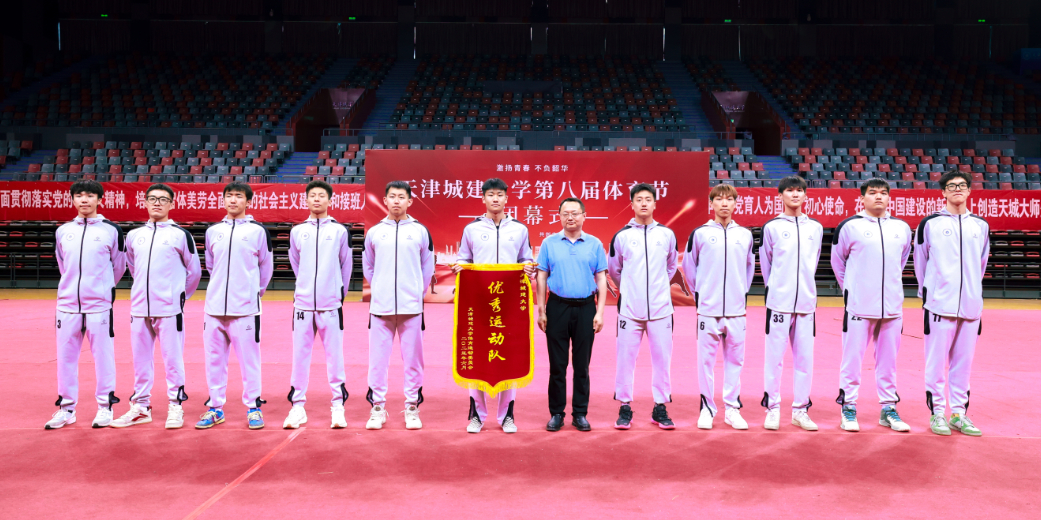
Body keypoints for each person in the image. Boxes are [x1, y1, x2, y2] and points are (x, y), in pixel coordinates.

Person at [110, 183, 201, 429]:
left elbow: (194, 271)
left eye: (163, 199)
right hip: (139, 308)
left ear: (172, 204)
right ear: (145, 202)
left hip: (169, 310)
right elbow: (132, 265)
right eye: (152, 198)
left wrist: (179, 297)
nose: (157, 203)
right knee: (140, 361)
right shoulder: (134, 235)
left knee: (173, 360)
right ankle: (141, 407)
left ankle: (176, 405)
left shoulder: (181, 235)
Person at [453, 178, 535, 434]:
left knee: (508, 356)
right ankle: (477, 415)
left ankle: (507, 415)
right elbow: (463, 259)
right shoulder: (471, 229)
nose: (495, 199)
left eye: (500, 194)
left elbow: (526, 259)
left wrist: (528, 268)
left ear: (507, 198)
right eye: (491, 194)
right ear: (483, 198)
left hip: (508, 304)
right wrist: (460, 267)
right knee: (477, 355)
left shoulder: (519, 229)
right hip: (478, 303)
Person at [831, 178, 913, 433]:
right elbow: (838, 263)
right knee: (852, 361)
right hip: (859, 308)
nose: (879, 196)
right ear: (862, 198)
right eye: (873, 192)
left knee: (888, 363)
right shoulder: (849, 227)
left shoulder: (902, 228)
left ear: (889, 198)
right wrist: (853, 291)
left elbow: (901, 261)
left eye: (883, 193)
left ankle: (888, 408)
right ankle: (848, 407)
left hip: (892, 309)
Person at [46, 180, 127, 430]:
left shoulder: (111, 230)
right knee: (65, 359)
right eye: (79, 195)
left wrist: (101, 289)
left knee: (103, 358)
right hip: (67, 306)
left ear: (99, 200)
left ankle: (105, 406)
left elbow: (118, 266)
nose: (84, 199)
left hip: (99, 306)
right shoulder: (63, 231)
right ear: (72, 199)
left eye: (90, 195)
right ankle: (66, 409)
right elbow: (63, 265)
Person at [914, 170, 989, 437]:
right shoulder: (930, 224)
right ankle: (937, 413)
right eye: (951, 186)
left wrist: (972, 292)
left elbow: (981, 263)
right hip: (939, 306)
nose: (957, 189)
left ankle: (959, 414)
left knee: (963, 364)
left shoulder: (980, 225)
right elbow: (921, 262)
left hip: (970, 307)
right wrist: (931, 294)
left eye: (962, 185)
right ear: (943, 192)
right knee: (935, 364)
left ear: (969, 191)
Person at [196, 182, 273, 430]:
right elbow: (211, 265)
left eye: (238, 196)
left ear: (248, 202)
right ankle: (215, 408)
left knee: (250, 362)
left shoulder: (258, 232)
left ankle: (253, 408)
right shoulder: (213, 231)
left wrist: (252, 294)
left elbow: (265, 268)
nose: (233, 200)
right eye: (229, 196)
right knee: (214, 361)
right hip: (214, 309)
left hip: (245, 310)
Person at [362, 181, 435, 430]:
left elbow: (427, 267)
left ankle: (412, 407)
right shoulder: (374, 232)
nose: (396, 201)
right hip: (380, 309)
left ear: (409, 201)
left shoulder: (420, 231)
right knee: (378, 362)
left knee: (413, 361)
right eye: (392, 196)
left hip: (411, 309)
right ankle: (377, 408)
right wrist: (380, 289)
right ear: (385, 201)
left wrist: (415, 293)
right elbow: (368, 266)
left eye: (401, 197)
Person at [682, 183, 755, 430]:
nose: (724, 203)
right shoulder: (700, 234)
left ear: (736, 203)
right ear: (710, 203)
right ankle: (707, 408)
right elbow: (689, 268)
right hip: (708, 311)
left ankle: (732, 409)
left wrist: (739, 293)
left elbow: (749, 268)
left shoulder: (744, 235)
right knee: (705, 362)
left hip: (736, 311)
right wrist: (703, 294)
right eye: (719, 199)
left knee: (735, 361)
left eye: (729, 199)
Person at [607, 183, 678, 430]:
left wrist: (657, 289)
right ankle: (624, 406)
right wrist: (630, 289)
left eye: (648, 199)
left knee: (662, 360)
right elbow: (615, 270)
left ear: (655, 203)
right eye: (639, 199)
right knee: (625, 359)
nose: (644, 203)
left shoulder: (666, 235)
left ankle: (660, 406)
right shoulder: (622, 236)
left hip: (661, 310)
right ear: (632, 204)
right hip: (630, 310)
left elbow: (671, 267)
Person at [283, 180, 353, 430]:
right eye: (312, 195)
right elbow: (295, 262)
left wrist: (337, 294)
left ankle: (338, 406)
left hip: (330, 305)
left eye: (321, 195)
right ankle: (297, 407)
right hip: (302, 306)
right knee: (299, 357)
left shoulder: (339, 231)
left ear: (329, 200)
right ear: (306, 199)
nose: (316, 199)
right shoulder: (297, 231)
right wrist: (304, 288)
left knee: (335, 357)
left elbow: (346, 265)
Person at [536, 197, 608, 432]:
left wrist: (600, 312)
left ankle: (580, 413)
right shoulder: (549, 243)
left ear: (584, 216)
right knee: (557, 365)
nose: (570, 217)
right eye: (565, 213)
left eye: (575, 213)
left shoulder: (595, 244)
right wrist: (541, 310)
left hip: (586, 308)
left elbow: (601, 278)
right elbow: (541, 276)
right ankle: (556, 413)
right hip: (557, 307)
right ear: (559, 216)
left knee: (582, 365)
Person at [758, 176, 823, 431]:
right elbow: (766, 264)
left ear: (806, 195)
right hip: (779, 304)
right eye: (789, 191)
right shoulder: (771, 227)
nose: (795, 194)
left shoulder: (815, 228)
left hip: (806, 304)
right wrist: (776, 290)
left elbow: (813, 262)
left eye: (799, 191)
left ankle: (800, 410)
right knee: (774, 360)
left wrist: (805, 289)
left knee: (805, 361)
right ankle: (772, 409)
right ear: (780, 196)